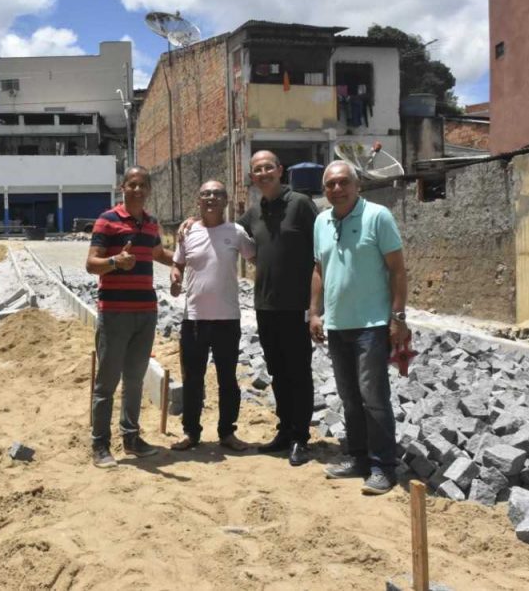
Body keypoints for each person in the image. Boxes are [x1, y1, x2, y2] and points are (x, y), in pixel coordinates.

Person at [309, 161, 409, 495]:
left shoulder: (378, 216)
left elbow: (397, 270)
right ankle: (359, 458)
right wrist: (314, 313)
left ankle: (383, 467)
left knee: (374, 398)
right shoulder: (321, 221)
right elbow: (319, 269)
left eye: (343, 182)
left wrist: (398, 318)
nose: (337, 189)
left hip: (372, 324)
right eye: (330, 184)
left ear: (358, 185)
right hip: (338, 325)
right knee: (350, 398)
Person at [86, 166, 174, 468]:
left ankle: (131, 437)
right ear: (122, 187)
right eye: (132, 184)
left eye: (142, 185)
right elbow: (91, 264)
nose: (137, 190)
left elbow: (159, 254)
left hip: (145, 312)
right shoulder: (107, 220)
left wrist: (187, 262)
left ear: (149, 189)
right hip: (114, 313)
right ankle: (100, 444)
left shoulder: (150, 223)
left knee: (134, 380)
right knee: (106, 383)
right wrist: (115, 262)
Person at [240, 151, 318, 467]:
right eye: (257, 170)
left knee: (298, 372)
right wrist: (192, 222)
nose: (263, 173)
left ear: (280, 170)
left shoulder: (300, 204)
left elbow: (321, 249)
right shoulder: (254, 211)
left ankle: (300, 437)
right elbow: (227, 231)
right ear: (252, 177)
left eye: (268, 167)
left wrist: (316, 307)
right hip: (265, 306)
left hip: (296, 306)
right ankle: (284, 431)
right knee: (277, 372)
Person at [169, 180, 256, 452]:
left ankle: (227, 432)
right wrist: (175, 277)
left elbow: (257, 258)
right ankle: (191, 432)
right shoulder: (188, 232)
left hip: (227, 319)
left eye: (217, 193)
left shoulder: (236, 232)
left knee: (227, 379)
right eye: (206, 194)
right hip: (194, 319)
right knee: (192, 379)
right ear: (198, 200)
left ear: (226, 200)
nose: (211, 198)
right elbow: (177, 264)